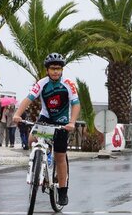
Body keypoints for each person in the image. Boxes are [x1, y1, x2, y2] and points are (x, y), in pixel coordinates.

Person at [13, 52, 81, 206]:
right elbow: (29, 99)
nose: (55, 71)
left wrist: (72, 122)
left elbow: (76, 104)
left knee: (60, 156)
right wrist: (17, 114)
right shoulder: (42, 83)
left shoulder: (68, 84)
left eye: (58, 69)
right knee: (31, 139)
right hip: (46, 118)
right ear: (47, 70)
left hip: (62, 122)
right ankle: (41, 161)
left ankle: (62, 191)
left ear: (62, 70)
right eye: (52, 69)